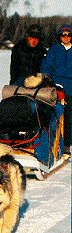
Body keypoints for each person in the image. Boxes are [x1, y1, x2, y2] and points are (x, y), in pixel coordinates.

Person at [41, 24, 72, 154]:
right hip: (56, 88)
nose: (66, 37)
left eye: (68, 34)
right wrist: (49, 80)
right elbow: (46, 66)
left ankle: (66, 146)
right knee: (53, 116)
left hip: (70, 88)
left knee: (69, 117)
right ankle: (52, 144)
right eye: (63, 34)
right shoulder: (54, 49)